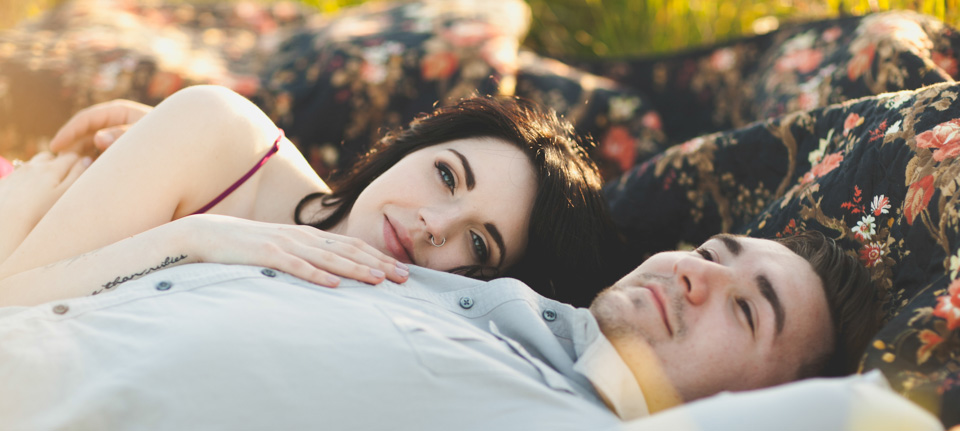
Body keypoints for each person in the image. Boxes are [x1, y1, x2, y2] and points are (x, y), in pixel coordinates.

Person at [0, 230, 899, 430]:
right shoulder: (488, 300)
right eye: (714, 247)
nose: (699, 273)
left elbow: (884, 416)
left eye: (747, 308)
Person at [0, 85, 619, 307]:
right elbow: (10, 310)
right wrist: (194, 237)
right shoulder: (217, 132)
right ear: (410, 146)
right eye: (447, 175)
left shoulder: (387, 317)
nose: (435, 223)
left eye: (479, 243)